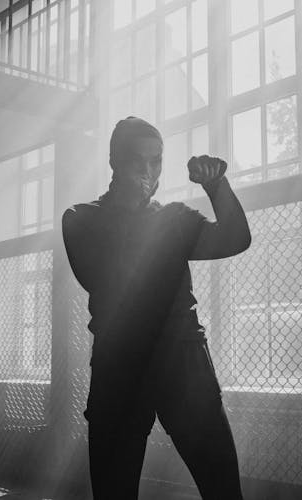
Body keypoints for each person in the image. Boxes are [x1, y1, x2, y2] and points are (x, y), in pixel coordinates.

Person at [62, 116, 251, 500]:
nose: (148, 171)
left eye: (157, 161)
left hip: (183, 363)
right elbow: (101, 276)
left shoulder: (175, 218)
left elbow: (234, 238)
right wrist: (136, 210)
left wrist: (216, 185)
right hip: (120, 368)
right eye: (137, 160)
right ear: (114, 161)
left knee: (224, 491)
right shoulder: (81, 218)